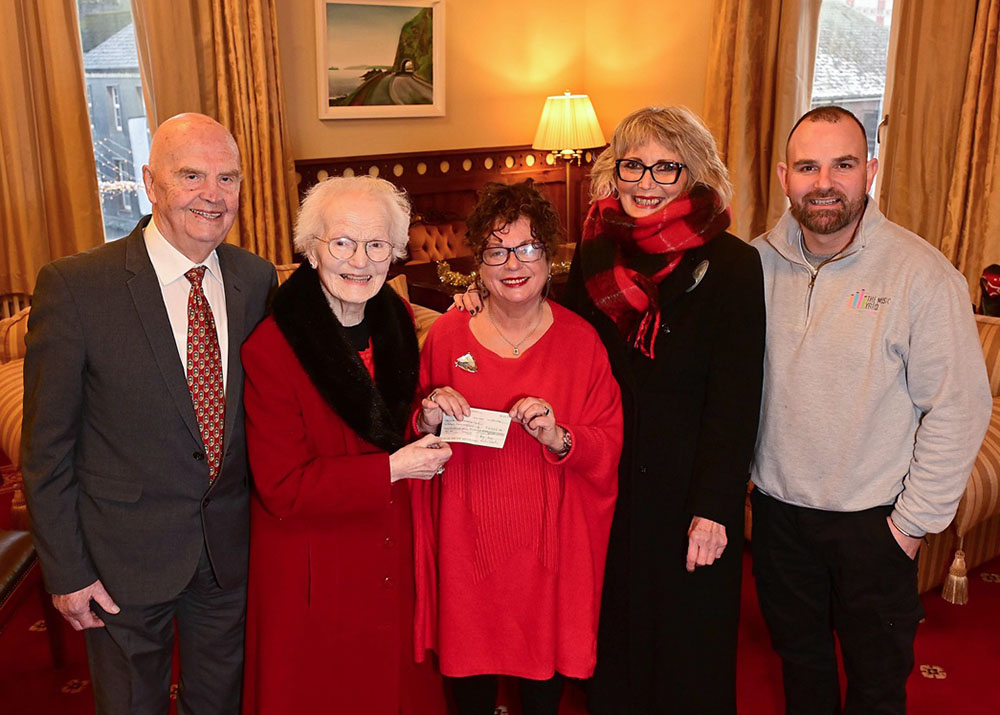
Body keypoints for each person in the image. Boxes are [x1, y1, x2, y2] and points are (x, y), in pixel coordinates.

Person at [21, 113, 276, 713]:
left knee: (220, 704)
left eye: (228, 178)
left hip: (228, 552)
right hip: (120, 561)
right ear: (150, 182)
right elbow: (46, 449)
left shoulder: (255, 278)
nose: (213, 195)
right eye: (191, 175)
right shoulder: (77, 287)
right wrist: (67, 570)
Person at [750, 105, 992, 714]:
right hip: (779, 520)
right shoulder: (750, 267)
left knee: (877, 686)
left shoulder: (922, 274)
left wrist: (909, 528)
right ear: (784, 177)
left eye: (844, 164)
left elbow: (959, 408)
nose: (824, 181)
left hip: (875, 525)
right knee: (800, 668)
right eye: (808, 166)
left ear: (871, 172)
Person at [564, 106, 766, 714]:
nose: (646, 182)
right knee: (616, 629)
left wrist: (714, 508)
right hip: (610, 477)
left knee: (687, 645)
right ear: (614, 171)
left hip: (688, 488)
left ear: (694, 174)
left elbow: (737, 398)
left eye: (666, 168)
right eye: (635, 166)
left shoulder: (733, 264)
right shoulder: (593, 252)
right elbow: (566, 347)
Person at [411, 180, 623, 715]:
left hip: (547, 554)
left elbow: (608, 443)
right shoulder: (447, 337)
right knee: (471, 686)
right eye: (497, 250)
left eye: (528, 248)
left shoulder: (581, 342)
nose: (513, 263)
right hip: (469, 547)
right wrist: (428, 413)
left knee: (541, 687)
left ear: (549, 258)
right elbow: (413, 431)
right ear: (477, 263)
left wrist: (559, 435)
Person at [240, 175, 449, 714]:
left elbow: (386, 420)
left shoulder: (397, 318)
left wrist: (427, 416)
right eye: (342, 243)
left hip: (388, 552)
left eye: (377, 244)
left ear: (395, 253)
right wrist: (393, 469)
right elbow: (282, 488)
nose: (360, 260)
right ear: (312, 250)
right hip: (315, 572)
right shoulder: (274, 347)